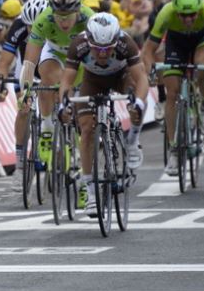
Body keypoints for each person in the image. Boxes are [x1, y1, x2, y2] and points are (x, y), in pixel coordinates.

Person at [58, 13, 149, 216]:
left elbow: (142, 78)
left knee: (137, 99)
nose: (102, 53)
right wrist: (64, 105)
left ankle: (133, 141)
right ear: (89, 41)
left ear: (116, 41)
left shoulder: (126, 43)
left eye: (108, 48)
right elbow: (67, 81)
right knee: (87, 129)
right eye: (97, 48)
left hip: (121, 77)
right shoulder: (78, 44)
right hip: (93, 81)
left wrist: (138, 103)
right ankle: (91, 193)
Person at [142, 0, 204, 175]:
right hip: (176, 42)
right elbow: (148, 50)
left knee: (203, 65)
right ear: (175, 11)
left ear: (199, 10)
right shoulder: (166, 13)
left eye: (192, 15)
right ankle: (174, 149)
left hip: (202, 39)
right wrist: (151, 71)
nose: (188, 19)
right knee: (172, 94)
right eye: (183, 15)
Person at [20, 0, 94, 167]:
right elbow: (29, 63)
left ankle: (77, 135)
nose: (64, 22)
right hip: (54, 52)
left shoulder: (89, 18)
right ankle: (46, 128)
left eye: (68, 17)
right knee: (47, 79)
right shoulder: (43, 20)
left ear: (78, 11)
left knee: (79, 92)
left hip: (81, 54)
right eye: (59, 17)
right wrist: (25, 92)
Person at [0, 0, 47, 191]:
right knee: (24, 109)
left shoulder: (56, 24)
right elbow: (4, 62)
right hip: (26, 69)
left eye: (36, 26)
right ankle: (20, 164)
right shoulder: (18, 26)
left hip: (50, 67)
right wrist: (1, 85)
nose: (32, 30)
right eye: (29, 26)